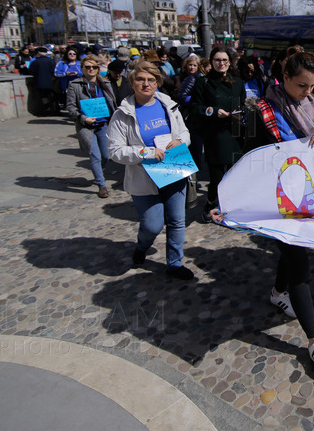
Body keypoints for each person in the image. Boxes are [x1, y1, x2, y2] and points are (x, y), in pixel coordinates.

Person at [238, 51, 314, 371]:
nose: (308, 92)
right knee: (298, 260)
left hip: (308, 191)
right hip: (279, 198)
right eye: (301, 86)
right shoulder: (263, 110)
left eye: (312, 86)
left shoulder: (312, 104)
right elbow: (249, 155)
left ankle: (277, 293)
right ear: (284, 78)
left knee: (291, 253)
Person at [107, 60, 195, 280]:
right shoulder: (123, 113)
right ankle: (142, 246)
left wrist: (180, 141)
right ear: (132, 82)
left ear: (157, 82)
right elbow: (115, 151)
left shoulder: (168, 105)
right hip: (144, 176)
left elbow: (185, 133)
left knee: (176, 220)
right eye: (140, 79)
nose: (146, 84)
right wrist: (143, 152)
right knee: (152, 225)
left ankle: (174, 263)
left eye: (151, 80)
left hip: (173, 169)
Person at [190, 47, 246, 220]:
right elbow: (195, 107)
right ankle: (211, 204)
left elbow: (243, 103)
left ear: (230, 62)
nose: (221, 63)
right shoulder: (203, 83)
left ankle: (231, 206)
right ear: (211, 62)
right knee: (217, 175)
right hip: (215, 134)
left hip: (235, 132)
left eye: (224, 60)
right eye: (217, 60)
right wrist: (212, 111)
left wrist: (241, 112)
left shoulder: (237, 82)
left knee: (234, 172)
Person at [66, 55, 117, 198]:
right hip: (86, 125)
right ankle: (101, 185)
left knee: (106, 156)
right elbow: (70, 107)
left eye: (94, 67)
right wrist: (83, 118)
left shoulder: (105, 83)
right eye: (87, 67)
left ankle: (98, 173)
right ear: (82, 68)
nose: (91, 69)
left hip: (103, 123)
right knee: (95, 155)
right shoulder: (75, 85)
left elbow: (112, 103)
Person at [26, 47, 58, 116]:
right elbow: (55, 71)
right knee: (53, 97)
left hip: (40, 83)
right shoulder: (51, 61)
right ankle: (54, 110)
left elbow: (31, 71)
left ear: (38, 54)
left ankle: (46, 110)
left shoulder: (35, 62)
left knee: (44, 97)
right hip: (51, 82)